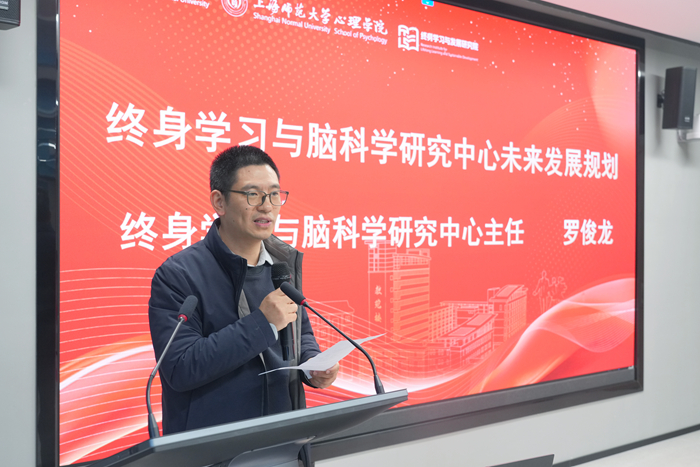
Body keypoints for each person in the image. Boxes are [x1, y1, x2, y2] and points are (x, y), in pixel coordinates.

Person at [148, 145, 339, 459]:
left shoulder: (282, 265)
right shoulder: (178, 274)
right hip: (214, 455)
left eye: (274, 195)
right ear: (219, 201)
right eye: (252, 195)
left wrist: (314, 365)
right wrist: (262, 323)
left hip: (284, 448)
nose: (266, 206)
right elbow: (180, 368)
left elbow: (300, 333)